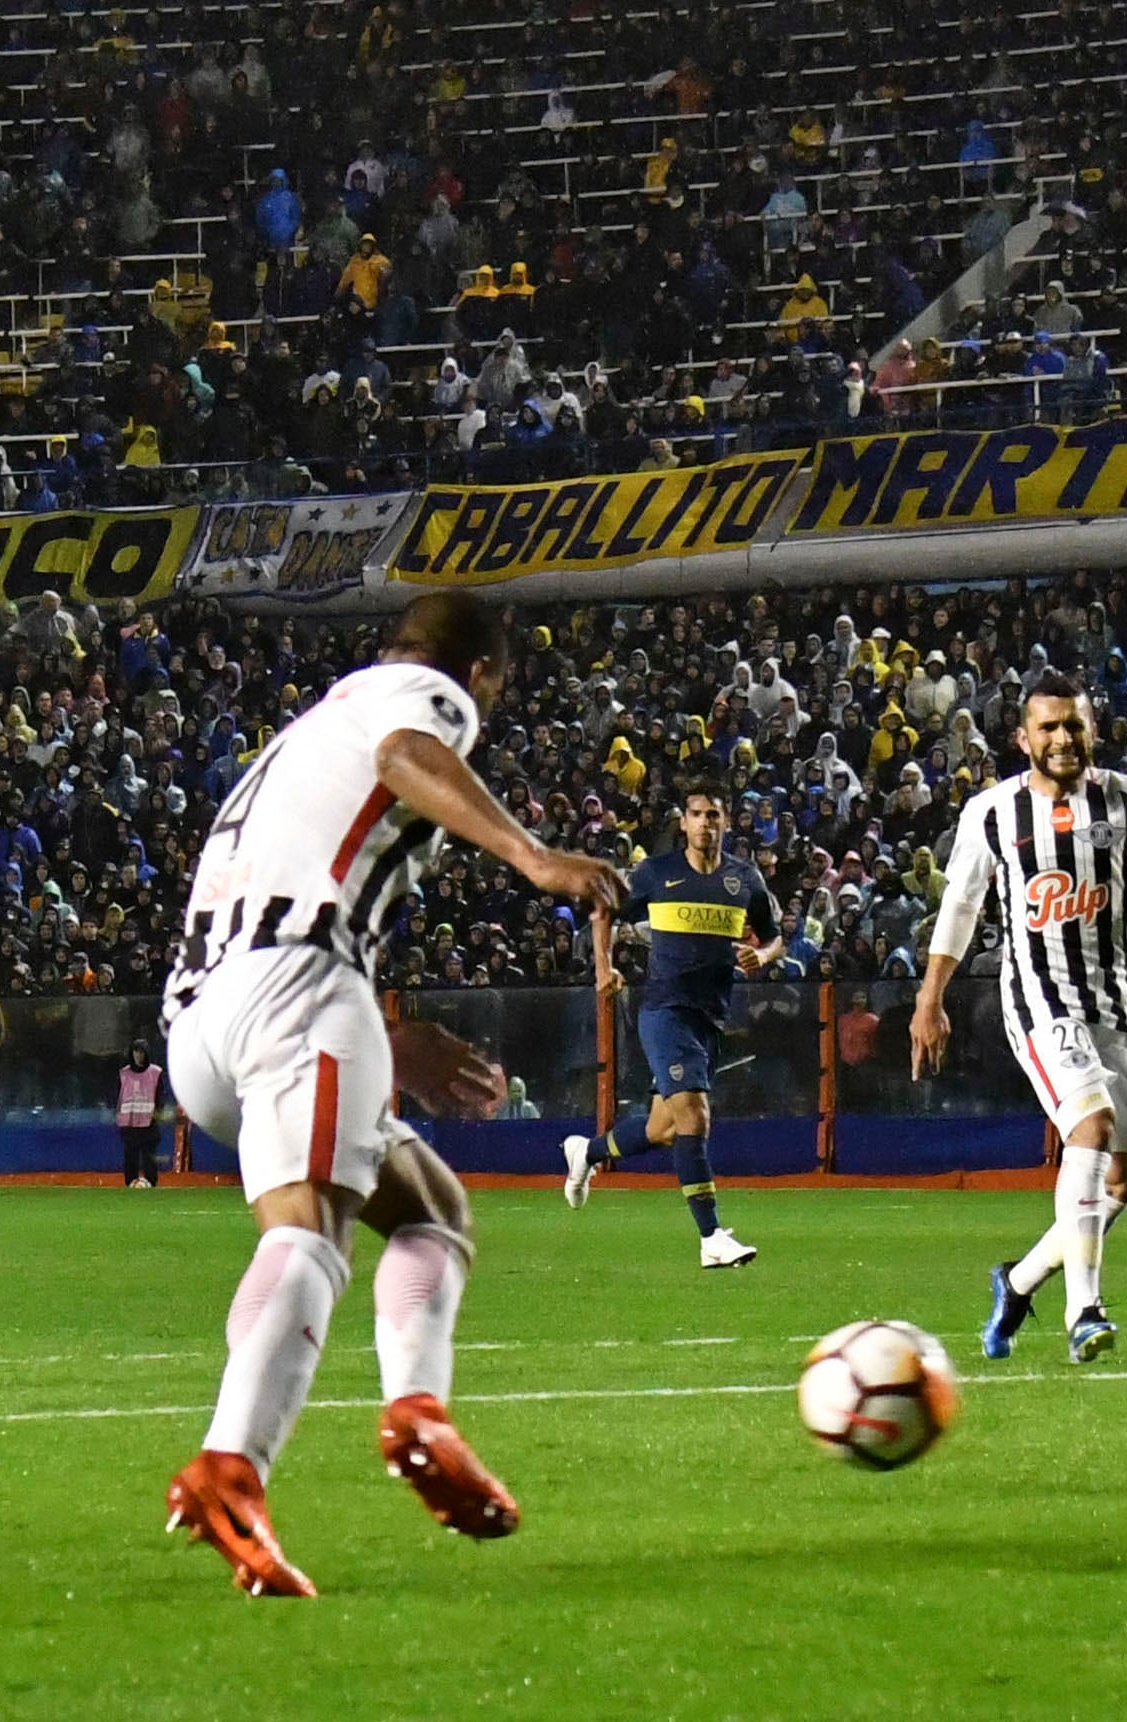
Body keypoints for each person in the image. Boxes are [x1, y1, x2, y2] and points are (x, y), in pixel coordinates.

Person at [157, 594, 622, 1597]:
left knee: (432, 1209)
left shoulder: (303, 730)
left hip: (204, 1019)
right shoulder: (422, 696)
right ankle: (229, 1466)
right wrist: (533, 856)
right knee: (309, 1231)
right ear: (484, 676)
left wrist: (384, 1037)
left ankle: (421, 1414)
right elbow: (408, 755)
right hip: (297, 983)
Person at [916, 673, 1127, 1365]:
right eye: (1046, 727)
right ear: (1021, 738)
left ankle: (1016, 1283)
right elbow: (959, 906)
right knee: (1090, 1126)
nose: (1059, 738)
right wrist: (930, 998)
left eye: (1071, 725)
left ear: (1091, 730)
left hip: (1114, 1000)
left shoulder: (1126, 800)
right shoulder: (991, 813)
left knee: (1120, 1181)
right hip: (1038, 997)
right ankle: (1083, 1309)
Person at [561, 780, 782, 1266]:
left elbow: (774, 936)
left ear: (725, 822)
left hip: (711, 1019)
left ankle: (588, 1152)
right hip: (664, 1010)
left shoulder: (744, 880)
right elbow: (603, 907)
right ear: (683, 823)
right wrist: (603, 965)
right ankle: (711, 1238)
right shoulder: (656, 873)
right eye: (697, 814)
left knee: (665, 1127)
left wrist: (761, 954)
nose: (705, 823)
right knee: (695, 1116)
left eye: (714, 814)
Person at [116, 1042, 165, 1186]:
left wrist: (157, 1113)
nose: (138, 1056)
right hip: (128, 1122)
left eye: (141, 1052)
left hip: (149, 1122)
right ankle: (131, 1182)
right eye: (136, 1052)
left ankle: (150, 1181)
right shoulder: (123, 1074)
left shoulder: (155, 1073)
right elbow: (117, 1095)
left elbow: (160, 1096)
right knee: (130, 1155)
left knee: (149, 1155)